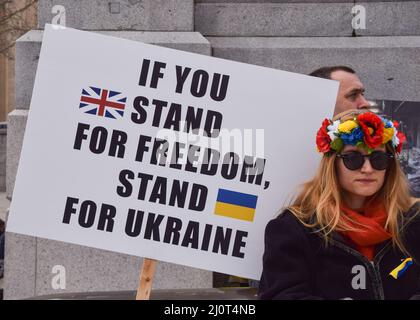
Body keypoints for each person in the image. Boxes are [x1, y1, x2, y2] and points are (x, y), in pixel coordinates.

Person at [259, 109, 420, 300]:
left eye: (378, 158)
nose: (367, 169)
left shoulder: (411, 223)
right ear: (333, 163)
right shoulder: (295, 229)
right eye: (353, 158)